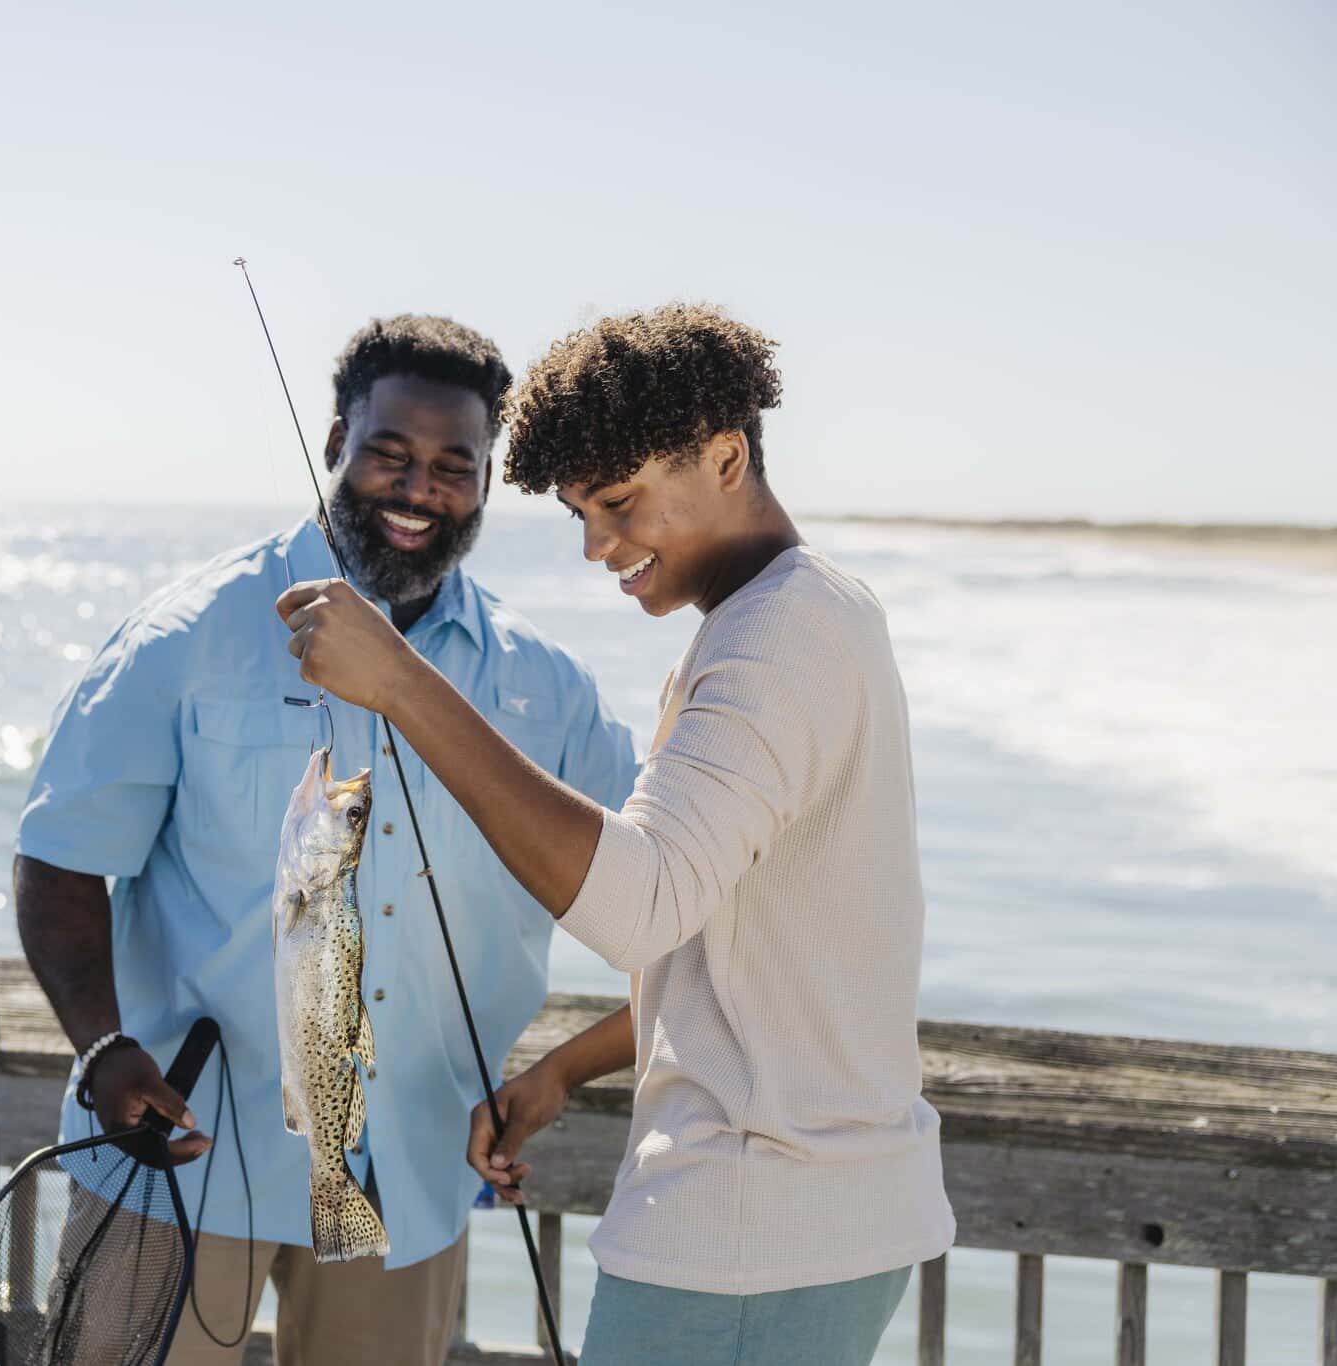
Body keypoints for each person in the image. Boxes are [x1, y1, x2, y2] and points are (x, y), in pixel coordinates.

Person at [276, 303, 956, 1365]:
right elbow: (726, 945)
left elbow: (638, 906)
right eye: (578, 513)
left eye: (621, 502)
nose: (597, 545)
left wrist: (404, 685)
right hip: (803, 1224)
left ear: (725, 456)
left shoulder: (775, 639)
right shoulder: (801, 614)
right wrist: (560, 1073)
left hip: (747, 1237)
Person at [14, 314, 638, 1366]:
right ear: (336, 439)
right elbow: (61, 856)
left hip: (413, 1172)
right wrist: (101, 1046)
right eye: (390, 453)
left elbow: (666, 879)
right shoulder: (186, 635)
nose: (416, 488)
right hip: (182, 1153)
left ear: (486, 481)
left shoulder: (544, 684)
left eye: (454, 465)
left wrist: (562, 1073)